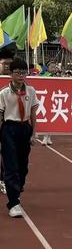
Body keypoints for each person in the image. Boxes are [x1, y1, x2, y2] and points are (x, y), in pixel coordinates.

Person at [0, 58, 39, 218]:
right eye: (18, 72)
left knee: (23, 166)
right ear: (11, 74)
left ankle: (17, 186)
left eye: (24, 72)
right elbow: (0, 114)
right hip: (9, 128)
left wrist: (33, 133)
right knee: (11, 166)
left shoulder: (30, 91)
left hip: (24, 128)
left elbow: (33, 113)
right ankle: (14, 203)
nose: (21, 75)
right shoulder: (4, 93)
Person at [0, 52, 14, 196]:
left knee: (6, 154)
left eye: (10, 65)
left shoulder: (15, 82)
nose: (7, 67)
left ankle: (3, 180)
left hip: (7, 124)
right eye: (4, 64)